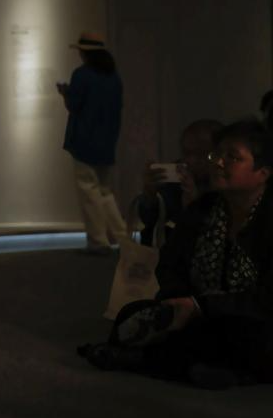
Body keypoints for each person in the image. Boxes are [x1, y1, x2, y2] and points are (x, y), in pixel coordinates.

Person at [81, 120, 273, 389]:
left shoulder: (268, 219)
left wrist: (199, 306)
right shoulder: (204, 210)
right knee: (131, 313)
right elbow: (170, 263)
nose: (219, 163)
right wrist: (178, 301)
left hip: (250, 318)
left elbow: (266, 299)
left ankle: (147, 360)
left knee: (241, 334)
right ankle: (201, 366)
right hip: (199, 309)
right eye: (217, 155)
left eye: (233, 157)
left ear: (262, 173)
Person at [57, 31, 126, 254]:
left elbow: (74, 105)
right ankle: (121, 237)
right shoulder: (113, 77)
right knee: (105, 192)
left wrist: (65, 93)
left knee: (89, 192)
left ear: (85, 53)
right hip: (107, 142)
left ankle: (98, 241)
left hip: (84, 141)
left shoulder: (82, 75)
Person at [132, 119, 222, 247]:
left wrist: (194, 205)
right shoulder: (177, 177)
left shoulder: (226, 185)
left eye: (201, 154)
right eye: (186, 153)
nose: (190, 160)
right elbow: (150, 223)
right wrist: (150, 196)